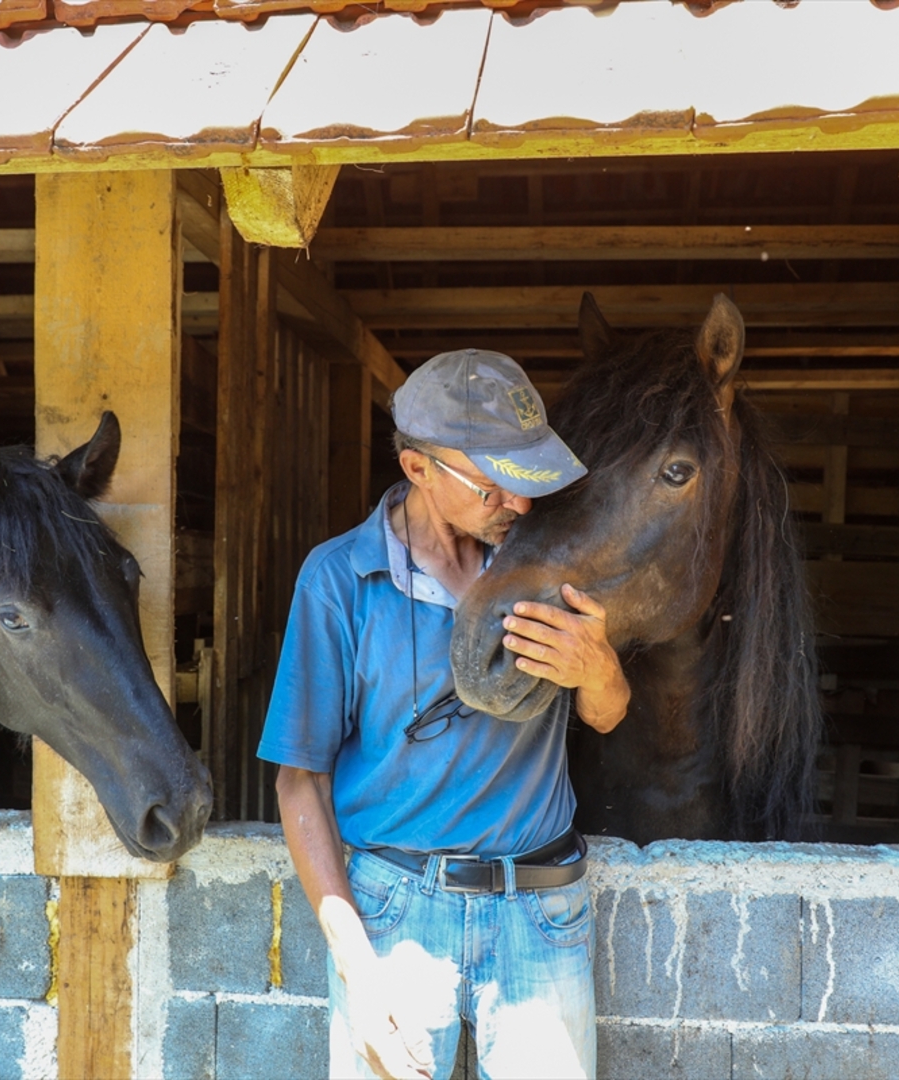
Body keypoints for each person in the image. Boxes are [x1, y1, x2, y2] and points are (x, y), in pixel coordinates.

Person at [258, 348, 631, 1080]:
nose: (519, 506)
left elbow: (609, 717)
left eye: (528, 483)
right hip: (394, 912)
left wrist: (600, 670)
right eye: (494, 487)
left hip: (540, 908)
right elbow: (299, 782)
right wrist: (359, 975)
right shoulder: (339, 580)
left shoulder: (546, 565)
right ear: (418, 468)